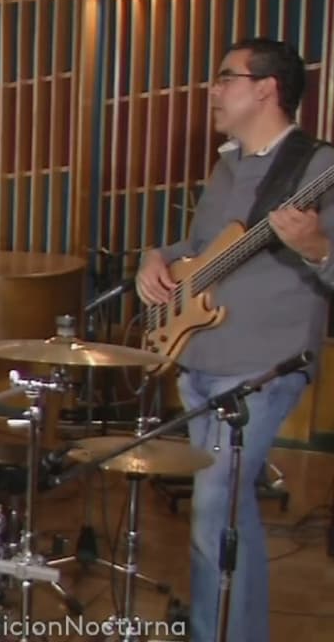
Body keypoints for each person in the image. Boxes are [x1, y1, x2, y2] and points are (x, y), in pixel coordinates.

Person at [135, 37, 334, 642]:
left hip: (262, 365)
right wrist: (154, 258)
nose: (213, 90)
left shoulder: (318, 168)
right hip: (199, 356)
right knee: (220, 510)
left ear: (266, 89)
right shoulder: (227, 166)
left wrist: (316, 248)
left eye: (226, 78)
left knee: (216, 505)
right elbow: (202, 249)